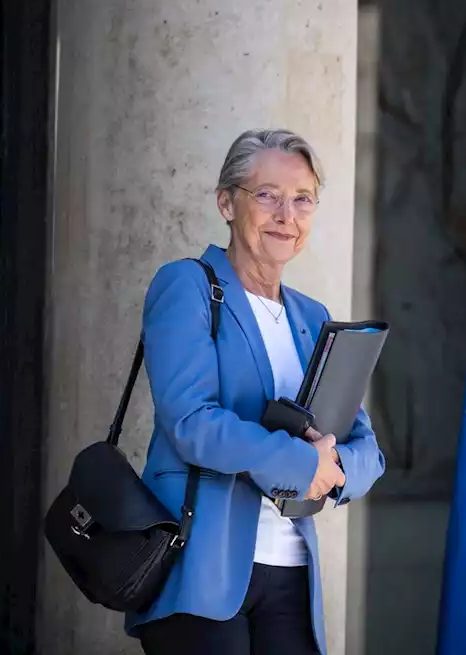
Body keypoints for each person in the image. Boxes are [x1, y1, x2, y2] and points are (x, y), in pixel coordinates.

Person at [127, 128, 386, 655]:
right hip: (202, 571)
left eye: (302, 199)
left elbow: (365, 448)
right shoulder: (188, 286)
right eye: (267, 195)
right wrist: (299, 463)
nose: (286, 216)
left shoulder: (312, 317)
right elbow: (192, 423)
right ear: (227, 203)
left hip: (291, 574)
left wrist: (330, 474)